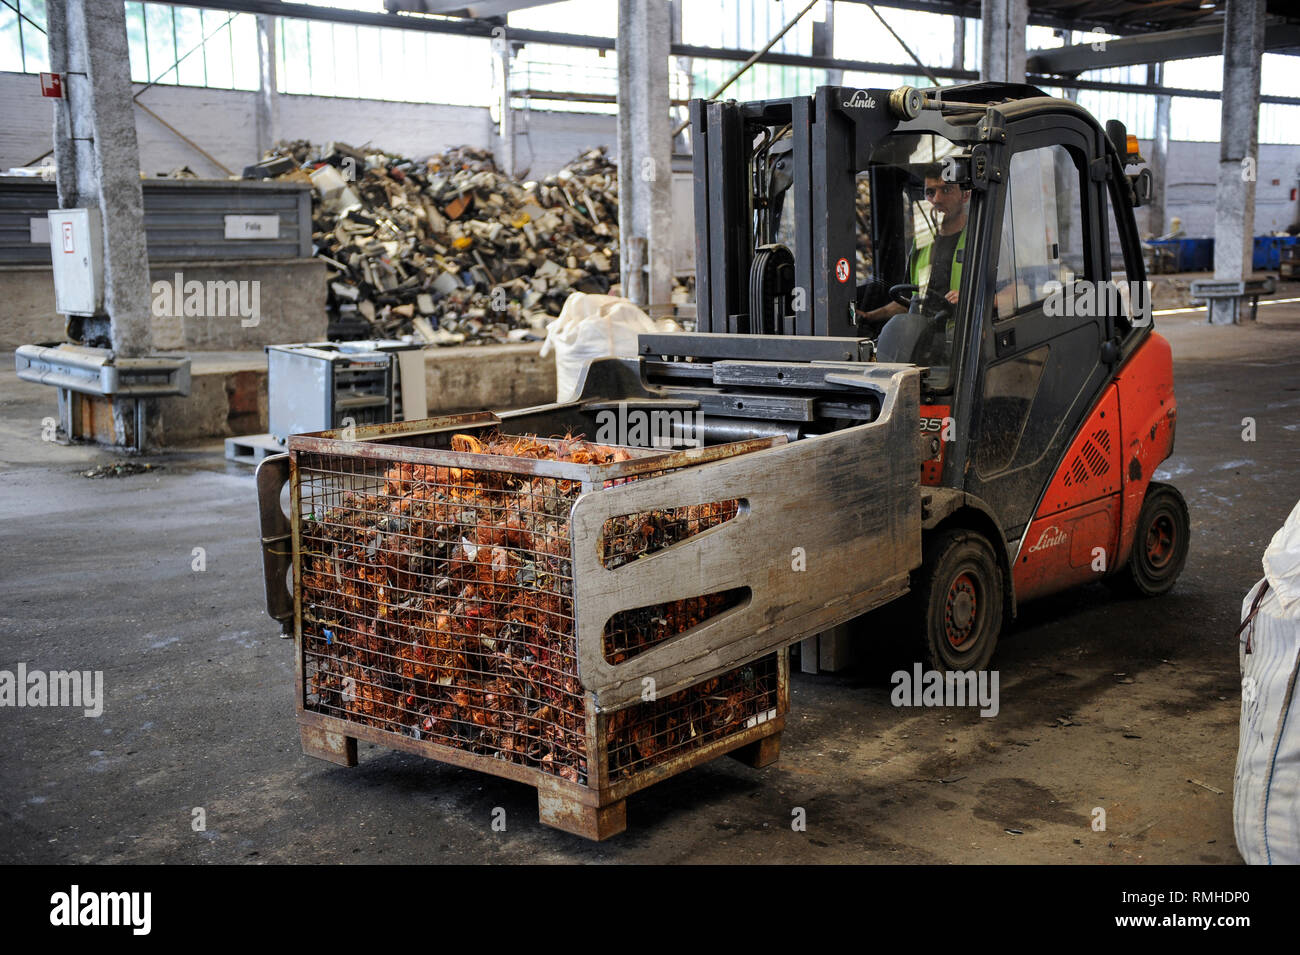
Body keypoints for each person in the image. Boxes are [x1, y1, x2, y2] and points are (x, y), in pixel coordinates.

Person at [860, 164, 970, 332]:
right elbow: (909, 301)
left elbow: (1016, 292)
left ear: (965, 195)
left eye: (946, 190)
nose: (937, 199)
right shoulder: (923, 243)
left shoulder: (980, 237)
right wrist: (869, 316)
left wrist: (970, 298)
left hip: (964, 341)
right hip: (925, 339)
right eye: (930, 192)